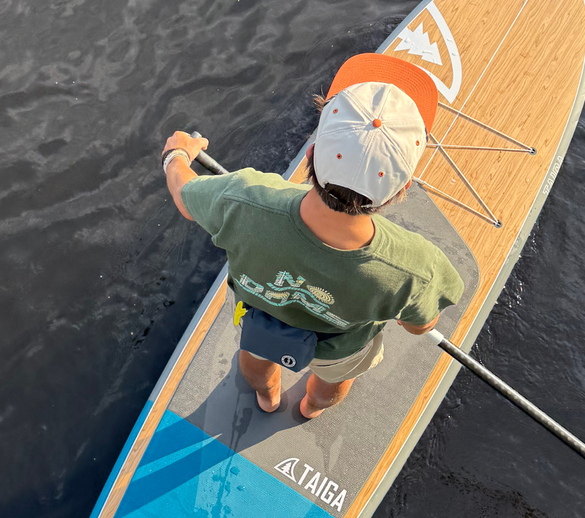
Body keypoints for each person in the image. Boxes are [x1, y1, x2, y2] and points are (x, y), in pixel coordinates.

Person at [161, 53, 464, 420]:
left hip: (259, 318)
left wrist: (176, 155)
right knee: (332, 385)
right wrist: (405, 313)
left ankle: (268, 396)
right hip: (338, 348)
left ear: (311, 152)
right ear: (402, 189)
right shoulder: (416, 267)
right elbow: (420, 325)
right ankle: (310, 408)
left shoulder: (243, 199)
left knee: (255, 362)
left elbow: (184, 197)